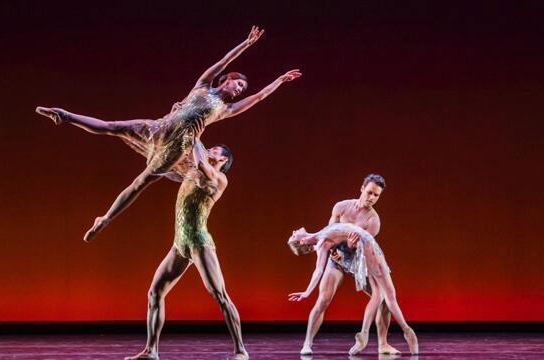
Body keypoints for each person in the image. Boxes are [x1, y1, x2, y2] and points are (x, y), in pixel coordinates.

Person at [35, 26, 301, 241]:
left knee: (140, 182)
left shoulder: (225, 110)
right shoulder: (203, 85)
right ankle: (65, 115)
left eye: (242, 88)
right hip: (159, 126)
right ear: (226, 80)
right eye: (238, 83)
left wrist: (279, 80)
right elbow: (222, 62)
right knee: (113, 126)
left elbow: (259, 97)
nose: (240, 89)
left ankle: (104, 219)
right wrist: (246, 44)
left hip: (177, 146)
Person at [126, 141, 248, 360]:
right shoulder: (192, 171)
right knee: (154, 293)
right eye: (209, 148)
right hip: (180, 243)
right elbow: (173, 162)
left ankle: (241, 351)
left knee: (219, 295)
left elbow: (201, 161)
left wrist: (195, 132)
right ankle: (151, 351)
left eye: (214, 151)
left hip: (199, 243)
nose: (209, 150)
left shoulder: (218, 179)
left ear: (223, 160)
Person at [289, 174, 400, 355]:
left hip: (358, 261)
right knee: (323, 299)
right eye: (370, 192)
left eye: (376, 195)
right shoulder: (341, 207)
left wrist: (351, 246)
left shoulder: (373, 221)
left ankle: (383, 344)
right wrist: (333, 250)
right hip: (337, 259)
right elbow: (329, 232)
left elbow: (365, 250)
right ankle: (307, 343)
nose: (371, 198)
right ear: (362, 189)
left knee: (385, 300)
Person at [287, 224, 419, 356]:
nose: (294, 231)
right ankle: (403, 331)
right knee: (384, 295)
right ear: (302, 241)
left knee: (382, 295)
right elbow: (319, 270)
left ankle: (372, 334)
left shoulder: (320, 237)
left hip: (367, 245)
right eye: (293, 236)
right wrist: (307, 292)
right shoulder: (322, 243)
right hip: (364, 248)